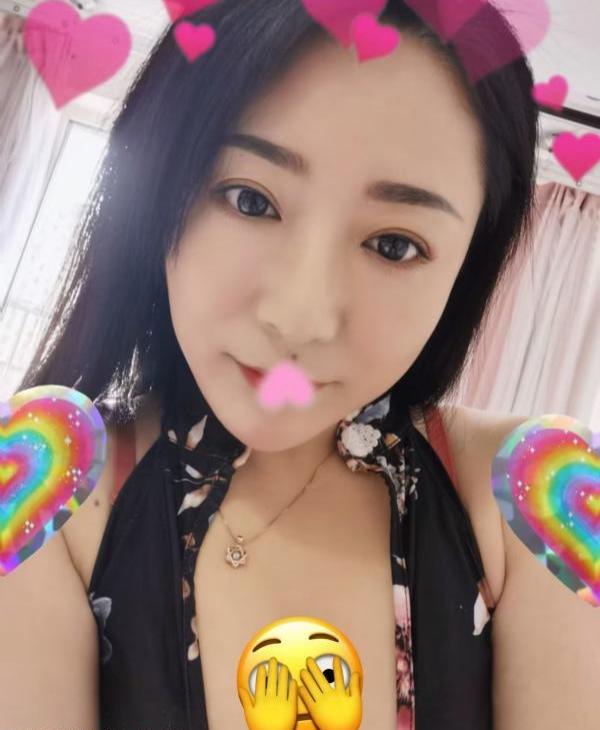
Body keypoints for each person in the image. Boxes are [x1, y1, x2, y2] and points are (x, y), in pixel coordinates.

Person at [6, 1, 585, 729]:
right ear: (157, 184)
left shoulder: (547, 491)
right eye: (250, 200)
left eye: (395, 245)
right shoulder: (40, 475)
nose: (300, 318)